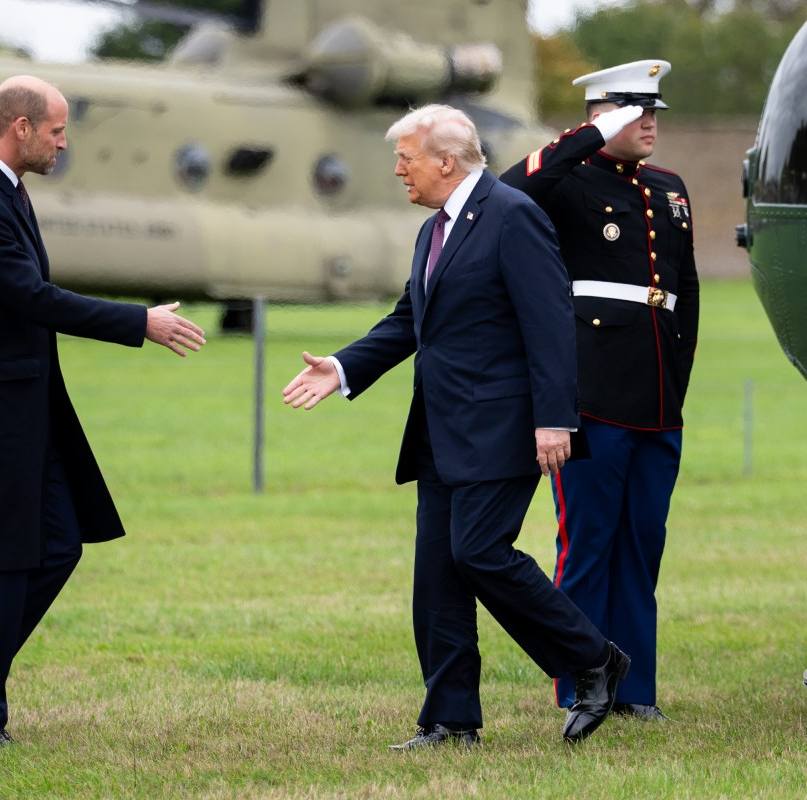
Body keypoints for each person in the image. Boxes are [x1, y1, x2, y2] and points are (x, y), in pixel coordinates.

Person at [282, 104, 630, 748]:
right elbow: (408, 319)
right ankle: (450, 719)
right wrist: (340, 366)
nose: (397, 171)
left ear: (446, 160)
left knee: (479, 553)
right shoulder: (433, 229)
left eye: (405, 159)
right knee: (438, 575)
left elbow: (550, 322)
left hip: (506, 426)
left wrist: (555, 419)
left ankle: (593, 659)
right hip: (441, 430)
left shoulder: (514, 216)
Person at [0, 75, 206, 746]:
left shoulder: (4, 189)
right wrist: (140, 323)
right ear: (21, 128)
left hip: (28, 411)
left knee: (58, 545)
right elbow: (33, 298)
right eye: (57, 131)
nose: (63, 143)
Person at [501, 60, 698, 721]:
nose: (649, 122)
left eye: (654, 111)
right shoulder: (566, 180)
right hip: (590, 394)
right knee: (586, 544)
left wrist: (679, 383)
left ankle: (635, 692)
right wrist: (584, 136)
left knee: (643, 542)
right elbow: (509, 191)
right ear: (599, 116)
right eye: (633, 111)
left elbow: (684, 296)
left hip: (657, 399)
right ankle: (580, 684)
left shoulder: (670, 189)